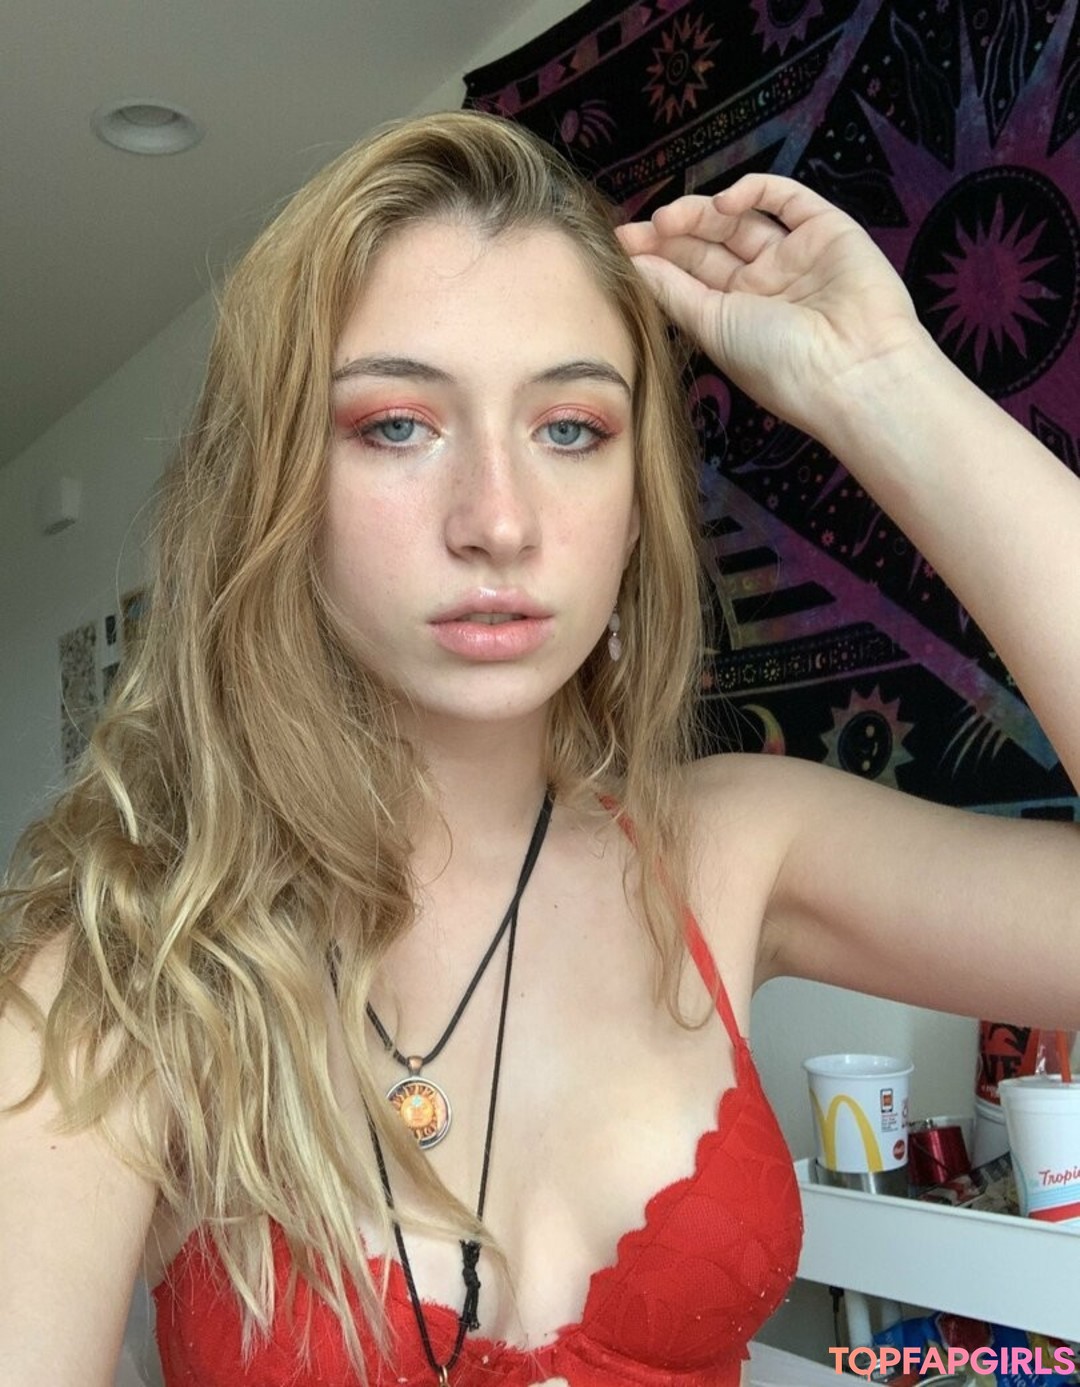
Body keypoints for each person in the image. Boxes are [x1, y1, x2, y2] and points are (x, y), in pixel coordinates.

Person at [1, 109, 1078, 1387]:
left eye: (571, 428)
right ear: (274, 488)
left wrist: (885, 387)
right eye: (396, 424)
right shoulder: (115, 976)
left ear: (636, 504)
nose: (499, 521)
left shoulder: (735, 850)